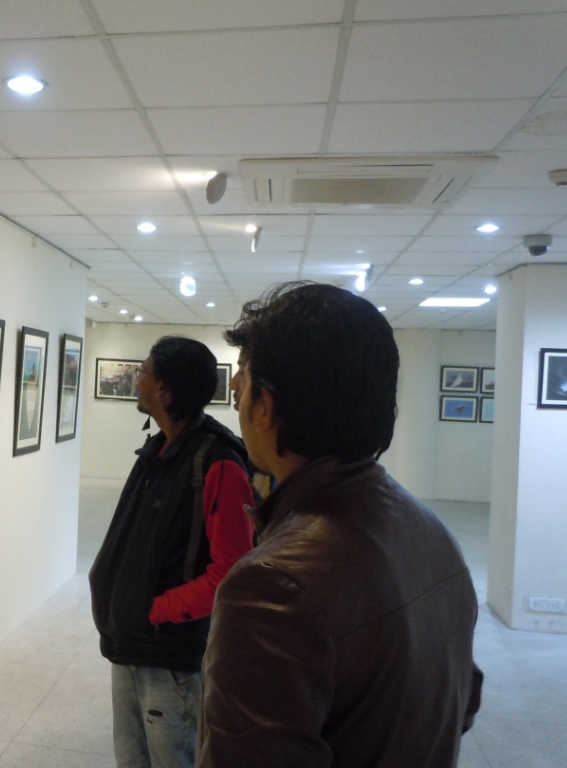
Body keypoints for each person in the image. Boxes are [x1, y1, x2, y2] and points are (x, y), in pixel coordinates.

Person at [198, 282, 483, 768]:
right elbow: (461, 701)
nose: (236, 391)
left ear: (267, 406)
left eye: (243, 376)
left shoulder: (272, 585)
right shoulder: (428, 526)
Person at [89, 336, 256, 768]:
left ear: (163, 389)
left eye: (142, 371)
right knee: (132, 760)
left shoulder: (218, 463)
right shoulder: (159, 450)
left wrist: (154, 611)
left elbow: (230, 575)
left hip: (169, 657)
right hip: (130, 644)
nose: (137, 379)